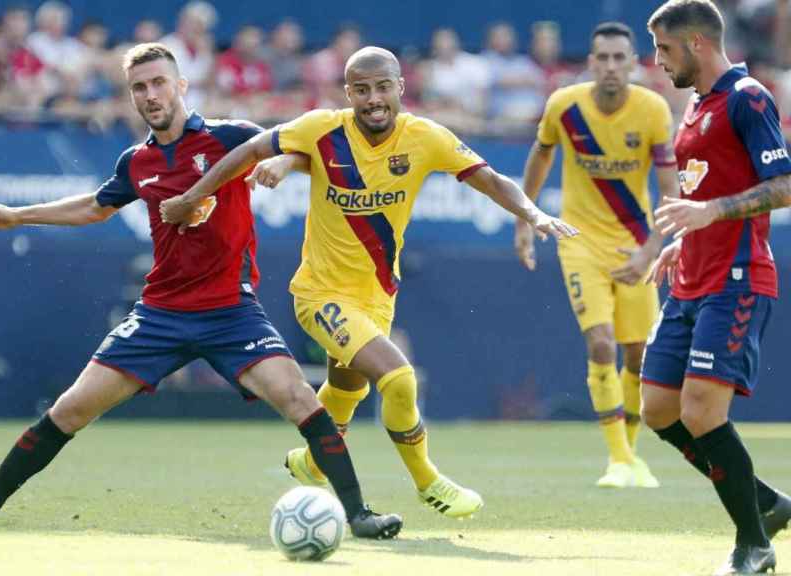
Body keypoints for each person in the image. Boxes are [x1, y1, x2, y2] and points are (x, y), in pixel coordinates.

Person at [0, 42, 402, 540]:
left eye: (158, 83)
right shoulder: (138, 161)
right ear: (132, 98)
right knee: (70, 409)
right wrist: (16, 215)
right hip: (161, 314)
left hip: (231, 311)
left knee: (300, 398)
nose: (151, 95)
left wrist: (280, 163)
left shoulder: (230, 135)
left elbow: (306, 148)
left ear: (181, 86)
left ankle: (359, 515)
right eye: (139, 88)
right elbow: (96, 206)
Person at [160, 46, 577, 521]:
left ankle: (313, 460)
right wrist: (194, 196)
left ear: (401, 87)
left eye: (383, 87)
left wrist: (534, 212)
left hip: (377, 295)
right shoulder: (322, 127)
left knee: (347, 388)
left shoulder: (425, 137)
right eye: (362, 89)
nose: (373, 99)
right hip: (319, 294)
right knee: (398, 378)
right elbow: (252, 150)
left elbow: (491, 179)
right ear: (348, 93)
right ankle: (427, 481)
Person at [640, 1, 791, 573]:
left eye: (664, 50)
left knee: (702, 413)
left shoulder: (748, 97)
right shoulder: (699, 104)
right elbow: (710, 191)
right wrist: (688, 239)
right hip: (692, 276)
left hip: (737, 279)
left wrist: (712, 216)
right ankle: (765, 503)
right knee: (658, 410)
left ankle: (753, 544)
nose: (658, 62)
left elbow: (784, 185)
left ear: (698, 42)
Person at [516, 22, 678, 489]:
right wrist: (524, 218)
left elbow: (670, 191)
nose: (610, 67)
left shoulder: (652, 111)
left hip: (634, 243)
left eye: (618, 58)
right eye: (601, 58)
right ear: (590, 63)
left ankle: (630, 457)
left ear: (633, 63)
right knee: (602, 343)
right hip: (579, 240)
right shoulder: (565, 106)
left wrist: (651, 251)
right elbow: (540, 157)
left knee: (638, 356)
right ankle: (619, 458)